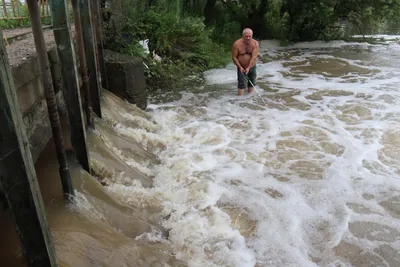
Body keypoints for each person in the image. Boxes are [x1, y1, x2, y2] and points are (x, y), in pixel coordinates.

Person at [232, 28, 259, 96]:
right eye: (246, 36)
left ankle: (250, 99)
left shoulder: (255, 43)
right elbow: (234, 57)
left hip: (252, 66)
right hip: (241, 66)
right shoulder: (236, 44)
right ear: (243, 36)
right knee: (241, 83)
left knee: (251, 82)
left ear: (252, 36)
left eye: (250, 36)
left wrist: (249, 68)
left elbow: (254, 57)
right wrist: (240, 67)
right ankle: (240, 99)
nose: (248, 38)